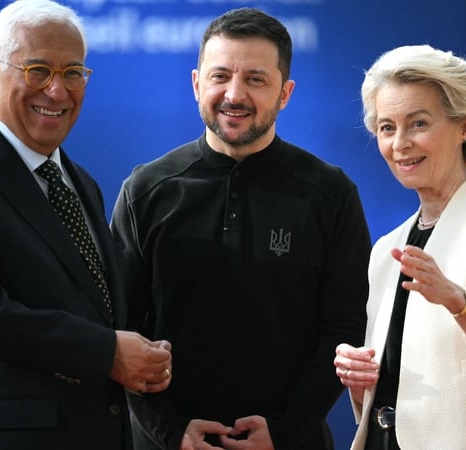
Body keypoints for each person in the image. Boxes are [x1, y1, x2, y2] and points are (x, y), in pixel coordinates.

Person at [0, 1, 172, 449]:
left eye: (73, 73)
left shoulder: (80, 182)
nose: (57, 91)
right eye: (37, 70)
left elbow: (94, 305)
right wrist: (104, 352)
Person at [110, 7, 371, 450]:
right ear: (196, 84)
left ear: (284, 93)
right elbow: (119, 329)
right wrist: (172, 432)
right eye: (220, 76)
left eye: (255, 79)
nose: (234, 94)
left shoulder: (329, 193)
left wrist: (285, 430)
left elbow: (345, 327)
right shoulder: (146, 190)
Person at [333, 44, 466, 449]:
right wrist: (359, 376)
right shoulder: (386, 249)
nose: (400, 143)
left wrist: (456, 298)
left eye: (417, 123)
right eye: (386, 127)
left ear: (464, 126)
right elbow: (392, 385)